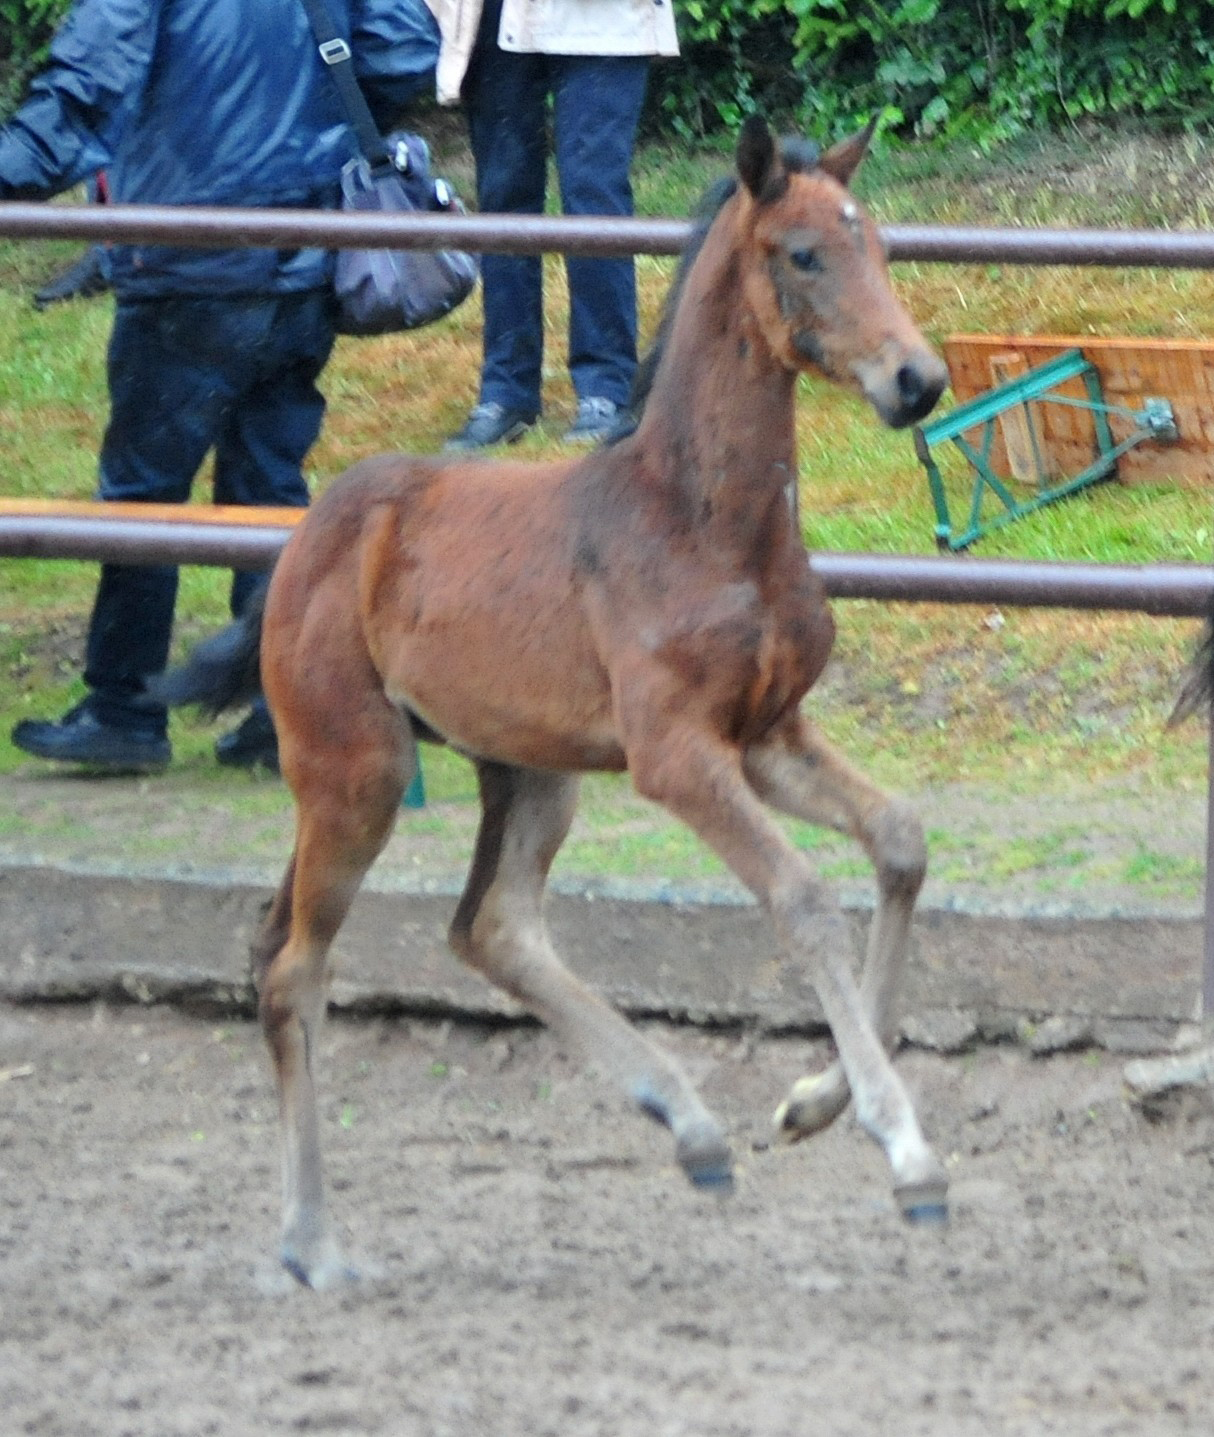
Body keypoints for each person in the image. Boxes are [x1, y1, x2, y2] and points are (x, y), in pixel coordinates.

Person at [0, 0, 440, 774]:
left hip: (189, 260)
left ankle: (124, 709)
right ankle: (284, 706)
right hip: (306, 255)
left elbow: (77, 93)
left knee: (143, 494)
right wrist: (307, 126)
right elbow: (405, 48)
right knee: (269, 488)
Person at [434, 0, 679, 450]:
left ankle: (607, 389)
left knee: (594, 200)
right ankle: (506, 391)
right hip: (493, 16)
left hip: (604, 19)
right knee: (503, 201)